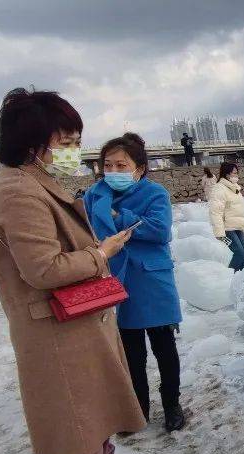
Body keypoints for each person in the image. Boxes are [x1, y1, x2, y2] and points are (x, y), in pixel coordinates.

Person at [0, 88, 158, 454]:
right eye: (64, 140)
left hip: (75, 318)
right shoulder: (18, 192)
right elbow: (43, 269)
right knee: (75, 416)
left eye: (75, 139)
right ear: (31, 143)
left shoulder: (34, 183)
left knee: (94, 403)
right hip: (53, 325)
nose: (73, 151)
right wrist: (101, 253)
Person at [84, 133, 186, 432]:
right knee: (131, 352)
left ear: (139, 168)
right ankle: (136, 408)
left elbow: (159, 231)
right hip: (115, 278)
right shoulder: (94, 195)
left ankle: (171, 404)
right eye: (108, 165)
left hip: (152, 278)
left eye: (121, 165)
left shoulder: (155, 194)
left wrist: (118, 215)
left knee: (164, 347)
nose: (113, 172)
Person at [208, 161, 244, 271]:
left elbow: (237, 211)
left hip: (237, 228)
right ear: (227, 174)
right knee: (239, 254)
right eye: (234, 173)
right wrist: (220, 234)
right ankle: (229, 279)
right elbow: (215, 212)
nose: (236, 175)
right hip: (227, 230)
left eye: (237, 173)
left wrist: (243, 228)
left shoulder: (235, 188)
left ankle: (241, 281)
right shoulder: (219, 189)